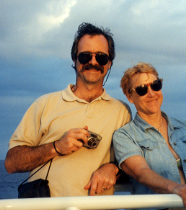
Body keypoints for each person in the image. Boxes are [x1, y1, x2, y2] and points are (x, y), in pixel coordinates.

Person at [4, 22, 131, 197]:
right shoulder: (45, 104)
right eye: (85, 56)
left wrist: (113, 168)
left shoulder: (122, 111)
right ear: (75, 59)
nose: (93, 62)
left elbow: (132, 163)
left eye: (100, 57)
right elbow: (11, 163)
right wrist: (56, 147)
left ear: (109, 63)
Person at [113, 62, 186, 210]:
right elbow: (141, 172)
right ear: (130, 97)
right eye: (142, 89)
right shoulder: (124, 135)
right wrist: (176, 188)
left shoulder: (184, 126)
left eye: (155, 85)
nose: (151, 93)